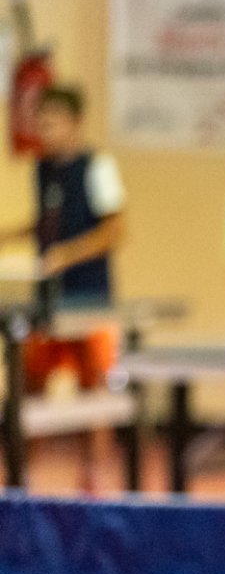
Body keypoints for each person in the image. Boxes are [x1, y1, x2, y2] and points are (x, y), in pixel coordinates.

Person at [0, 84, 127, 491]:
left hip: (89, 298)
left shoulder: (99, 167)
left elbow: (115, 231)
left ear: (75, 123)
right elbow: (46, 222)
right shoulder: (41, 169)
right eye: (41, 124)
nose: (46, 131)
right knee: (30, 387)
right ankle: (20, 481)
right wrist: (11, 234)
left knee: (94, 390)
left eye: (53, 123)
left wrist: (68, 255)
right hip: (46, 301)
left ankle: (94, 482)